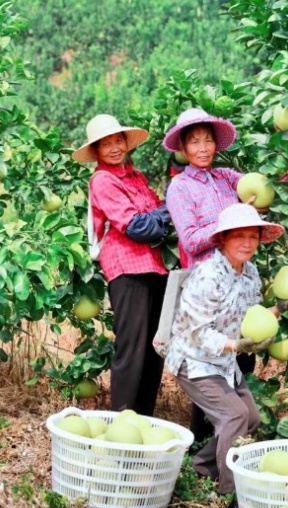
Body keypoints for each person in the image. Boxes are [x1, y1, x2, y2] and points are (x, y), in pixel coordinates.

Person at [165, 203, 288, 497]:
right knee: (234, 417)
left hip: (223, 361)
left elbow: (251, 317)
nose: (247, 243)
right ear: (223, 239)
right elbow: (198, 332)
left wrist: (281, 307)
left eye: (253, 237)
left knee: (251, 419)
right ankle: (230, 493)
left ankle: (202, 467)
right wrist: (236, 345)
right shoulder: (208, 275)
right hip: (194, 360)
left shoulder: (251, 273)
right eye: (238, 236)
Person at [163, 108, 264, 444]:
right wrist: (227, 221)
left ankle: (223, 442)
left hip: (237, 280)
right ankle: (207, 443)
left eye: (208, 140)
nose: (203, 147)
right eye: (195, 142)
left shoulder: (227, 177)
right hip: (205, 288)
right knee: (205, 362)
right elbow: (190, 238)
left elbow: (266, 187)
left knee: (237, 363)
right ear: (184, 148)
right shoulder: (180, 188)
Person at [73, 114, 172, 417]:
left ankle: (144, 420)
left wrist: (160, 216)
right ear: (97, 151)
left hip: (157, 267)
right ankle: (123, 421)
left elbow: (156, 215)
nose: (115, 148)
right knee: (132, 349)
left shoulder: (136, 177)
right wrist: (166, 215)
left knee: (155, 348)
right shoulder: (102, 180)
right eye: (107, 144)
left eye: (118, 141)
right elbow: (138, 227)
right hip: (127, 269)